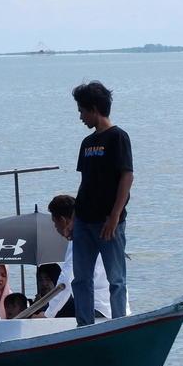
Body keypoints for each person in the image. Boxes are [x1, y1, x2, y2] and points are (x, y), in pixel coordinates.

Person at [70, 81, 132, 325]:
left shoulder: (118, 137)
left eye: (82, 111)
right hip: (84, 221)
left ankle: (119, 324)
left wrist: (115, 216)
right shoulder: (86, 143)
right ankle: (84, 325)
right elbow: (84, 183)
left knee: (115, 279)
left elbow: (127, 177)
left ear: (94, 109)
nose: (81, 117)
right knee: (81, 279)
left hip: (108, 222)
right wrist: (74, 218)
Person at [44, 194, 120, 319]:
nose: (55, 228)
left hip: (97, 310)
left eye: (54, 223)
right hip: (117, 309)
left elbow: (66, 281)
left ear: (63, 220)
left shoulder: (78, 241)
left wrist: (48, 314)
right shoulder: (97, 233)